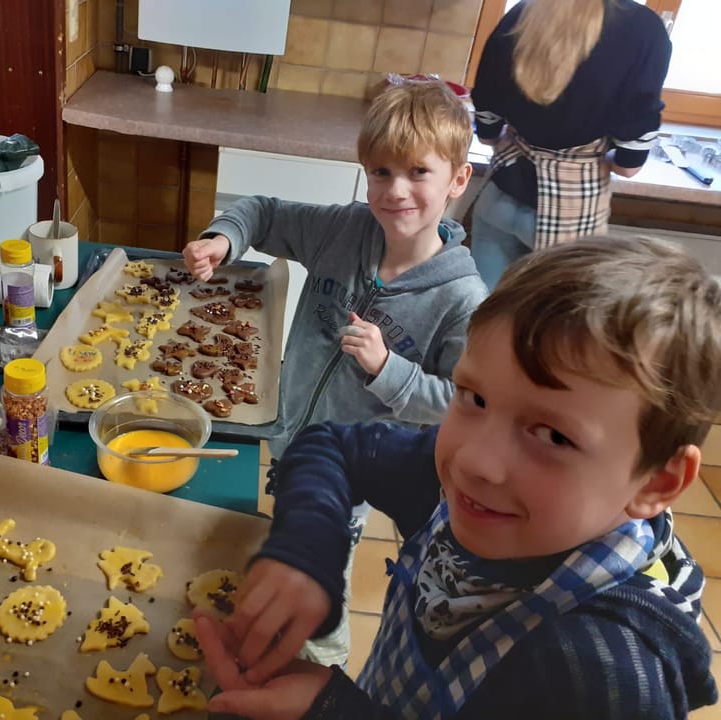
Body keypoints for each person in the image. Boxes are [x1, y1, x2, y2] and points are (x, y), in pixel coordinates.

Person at [194, 235, 721, 719]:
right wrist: (309, 551)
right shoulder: (476, 486)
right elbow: (336, 446)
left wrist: (333, 711)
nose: (474, 461)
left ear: (656, 482)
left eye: (554, 436)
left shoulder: (606, 677)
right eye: (474, 398)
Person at [182, 79, 488, 667]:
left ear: (457, 179)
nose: (395, 191)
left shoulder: (462, 300)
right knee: (278, 538)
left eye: (417, 172)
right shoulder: (345, 230)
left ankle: (322, 662)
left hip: (349, 474)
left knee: (319, 579)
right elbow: (265, 212)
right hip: (287, 428)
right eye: (379, 172)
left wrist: (387, 369)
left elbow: (460, 404)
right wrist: (224, 238)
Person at [469, 0, 671, 290]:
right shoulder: (644, 29)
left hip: (500, 198)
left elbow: (487, 124)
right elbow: (629, 165)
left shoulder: (523, 13)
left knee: (480, 315)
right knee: (547, 329)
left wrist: (508, 138)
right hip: (571, 214)